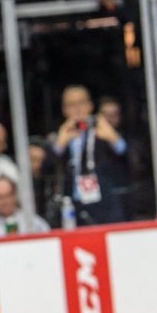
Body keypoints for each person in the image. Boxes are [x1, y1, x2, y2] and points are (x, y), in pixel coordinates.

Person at [53, 85, 129, 225]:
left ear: (90, 106)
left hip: (103, 201)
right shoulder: (62, 134)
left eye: (81, 103)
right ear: (64, 110)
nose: (77, 109)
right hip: (73, 203)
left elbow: (125, 154)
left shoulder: (101, 130)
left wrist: (111, 137)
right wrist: (60, 144)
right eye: (71, 105)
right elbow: (48, 166)